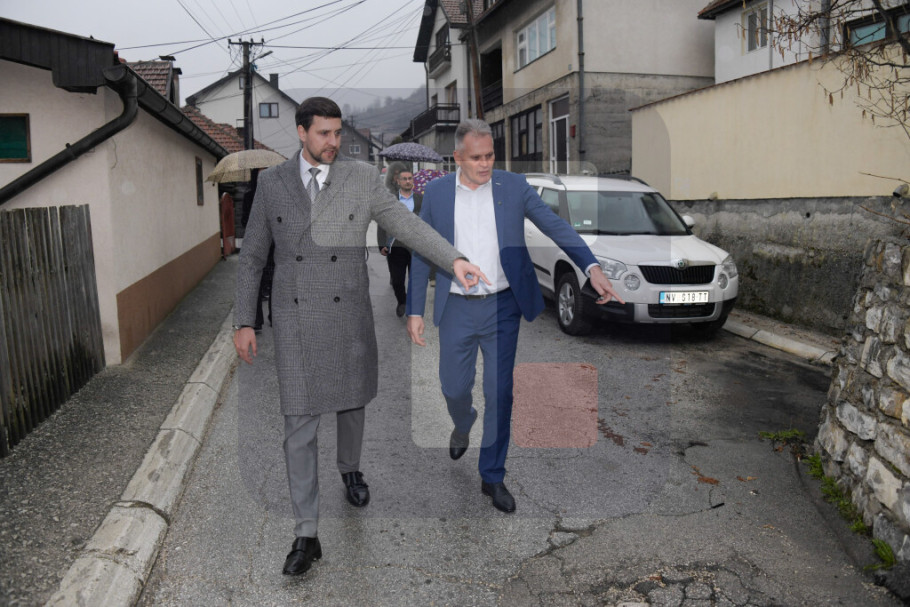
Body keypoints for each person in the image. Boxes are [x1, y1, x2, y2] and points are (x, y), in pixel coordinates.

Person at [233, 97, 487, 577]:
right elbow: (252, 257)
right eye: (324, 134)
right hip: (294, 318)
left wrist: (453, 259)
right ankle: (306, 533)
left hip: (346, 312)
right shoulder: (272, 183)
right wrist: (244, 320)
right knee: (298, 426)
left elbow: (406, 224)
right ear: (302, 133)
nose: (334, 142)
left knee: (351, 404)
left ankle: (350, 468)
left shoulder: (362, 178)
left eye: (337, 133)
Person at [406, 119, 622, 514]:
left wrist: (590, 267)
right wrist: (415, 310)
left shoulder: (514, 186)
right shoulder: (436, 193)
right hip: (456, 307)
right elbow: (423, 249)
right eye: (476, 158)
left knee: (500, 392)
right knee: (454, 388)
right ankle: (463, 421)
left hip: (502, 307)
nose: (485, 164)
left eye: (490, 155)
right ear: (458, 158)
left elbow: (554, 225)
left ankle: (492, 474)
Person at [377, 168, 422, 317]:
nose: (408, 181)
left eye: (410, 178)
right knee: (397, 280)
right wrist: (381, 244)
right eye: (404, 179)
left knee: (416, 281)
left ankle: (412, 307)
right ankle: (402, 302)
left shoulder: (421, 199)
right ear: (398, 181)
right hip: (396, 246)